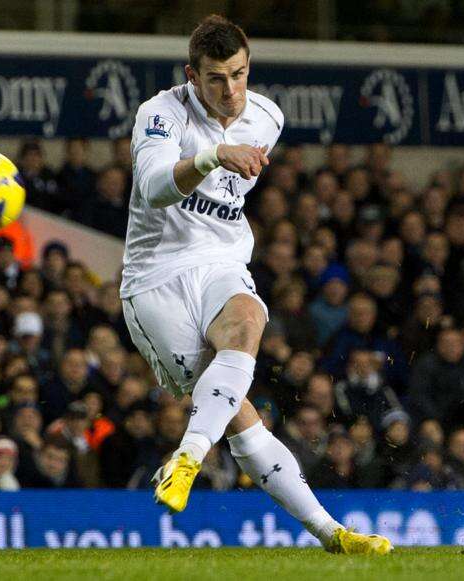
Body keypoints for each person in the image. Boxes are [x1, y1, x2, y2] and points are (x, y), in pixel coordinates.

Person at [118, 15, 390, 554]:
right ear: (191, 76)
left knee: (249, 321)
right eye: (217, 79)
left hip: (220, 259)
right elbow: (151, 188)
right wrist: (214, 154)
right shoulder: (160, 113)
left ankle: (189, 455)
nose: (232, 91)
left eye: (240, 74)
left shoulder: (267, 116)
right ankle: (329, 534)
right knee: (239, 416)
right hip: (155, 279)